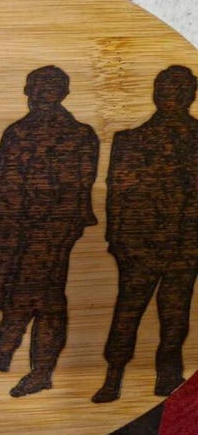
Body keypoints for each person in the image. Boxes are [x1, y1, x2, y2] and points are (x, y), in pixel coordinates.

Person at [0, 66, 99, 398]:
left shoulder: (79, 135)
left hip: (52, 232)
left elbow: (79, 190)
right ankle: (4, 353)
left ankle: (39, 369)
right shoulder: (17, 131)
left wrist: (58, 232)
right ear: (27, 91)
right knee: (20, 291)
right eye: (37, 87)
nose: (43, 94)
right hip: (13, 229)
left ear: (64, 93)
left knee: (45, 297)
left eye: (51, 87)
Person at [93, 65, 198, 403]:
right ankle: (113, 375)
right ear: (155, 93)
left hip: (186, 244)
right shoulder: (130, 139)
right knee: (128, 311)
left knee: (175, 314)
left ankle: (168, 374)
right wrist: (116, 239)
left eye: (179, 89)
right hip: (139, 245)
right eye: (165, 88)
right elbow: (116, 192)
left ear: (191, 94)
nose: (172, 96)